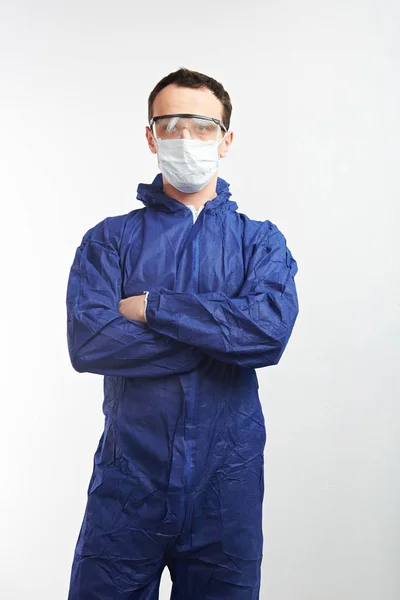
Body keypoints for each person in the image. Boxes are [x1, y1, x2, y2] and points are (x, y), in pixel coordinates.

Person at [66, 67, 299, 600]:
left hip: (226, 491)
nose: (186, 140)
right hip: (128, 488)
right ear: (151, 137)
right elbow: (91, 343)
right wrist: (219, 337)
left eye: (201, 126)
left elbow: (267, 336)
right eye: (170, 126)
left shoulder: (259, 243)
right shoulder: (110, 241)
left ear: (227, 138)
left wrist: (154, 308)